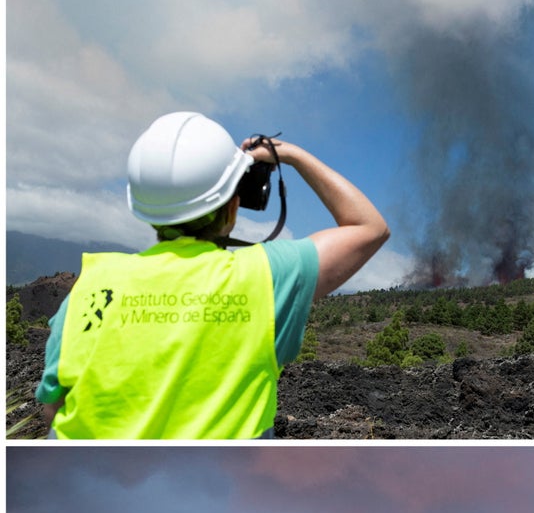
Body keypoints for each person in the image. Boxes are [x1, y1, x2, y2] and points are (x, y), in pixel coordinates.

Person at [35, 111, 390, 439]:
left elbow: (52, 405)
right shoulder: (266, 277)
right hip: (220, 484)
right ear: (235, 202)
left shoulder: (93, 282)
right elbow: (368, 227)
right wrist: (292, 155)